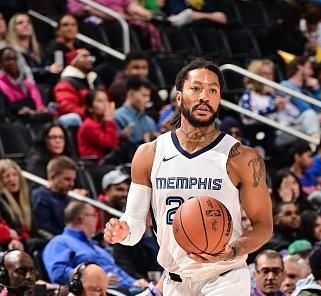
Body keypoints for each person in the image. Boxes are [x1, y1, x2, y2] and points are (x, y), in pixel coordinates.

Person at [104, 58, 273, 295]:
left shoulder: (242, 157)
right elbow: (134, 225)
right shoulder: (148, 154)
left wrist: (232, 250)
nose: (205, 96)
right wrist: (123, 231)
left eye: (213, 90)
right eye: (196, 88)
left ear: (219, 99)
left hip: (224, 279)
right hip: (174, 282)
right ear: (179, 96)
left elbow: (263, 226)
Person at [42, 201, 148, 291]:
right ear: (82, 219)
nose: (98, 220)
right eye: (94, 215)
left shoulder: (97, 247)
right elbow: (58, 273)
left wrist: (134, 282)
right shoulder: (59, 242)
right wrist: (96, 278)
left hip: (128, 289)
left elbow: (116, 271)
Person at [31, 156, 87, 236]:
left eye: (73, 180)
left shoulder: (70, 198)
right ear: (52, 177)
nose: (72, 184)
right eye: (67, 179)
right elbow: (45, 229)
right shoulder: (40, 197)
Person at [0, 159, 46, 253]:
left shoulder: (26, 199)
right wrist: (11, 235)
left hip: (27, 242)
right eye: (7, 176)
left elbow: (35, 230)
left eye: (15, 175)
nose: (12, 179)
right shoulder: (1, 202)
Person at [108, 51, 164, 121]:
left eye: (144, 68)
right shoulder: (118, 88)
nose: (141, 72)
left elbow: (161, 109)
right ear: (126, 69)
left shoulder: (150, 86)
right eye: (136, 68)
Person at [53, 48, 102, 127]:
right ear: (73, 61)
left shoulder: (94, 79)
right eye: (84, 56)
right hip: (82, 123)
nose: (90, 59)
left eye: (90, 56)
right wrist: (92, 114)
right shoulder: (65, 83)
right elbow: (68, 108)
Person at [77, 90, 119, 162]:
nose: (105, 104)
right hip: (93, 165)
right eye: (100, 101)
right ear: (90, 108)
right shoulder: (88, 125)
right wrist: (109, 121)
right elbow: (110, 144)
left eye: (106, 100)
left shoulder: (103, 123)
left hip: (105, 162)